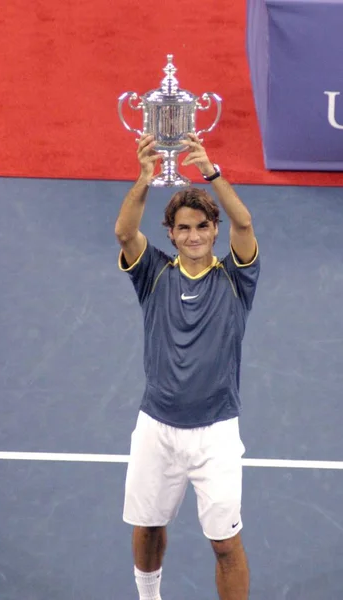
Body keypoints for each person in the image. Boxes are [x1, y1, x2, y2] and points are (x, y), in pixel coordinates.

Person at [115, 132, 260, 600]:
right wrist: (143, 179)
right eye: (183, 228)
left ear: (213, 230)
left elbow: (245, 222)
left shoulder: (237, 280)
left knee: (225, 543)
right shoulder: (153, 272)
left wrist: (212, 174)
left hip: (215, 433)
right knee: (148, 526)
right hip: (156, 427)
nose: (194, 235)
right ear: (171, 234)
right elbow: (124, 232)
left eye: (202, 226)